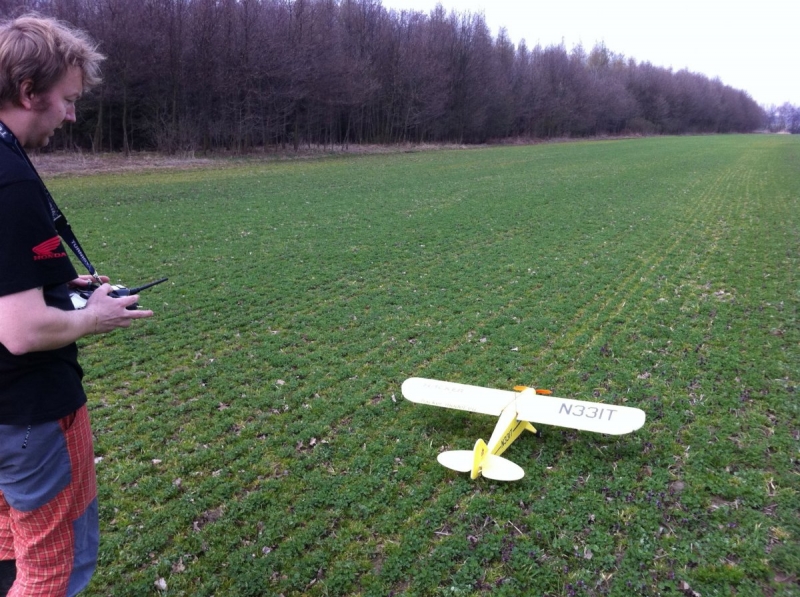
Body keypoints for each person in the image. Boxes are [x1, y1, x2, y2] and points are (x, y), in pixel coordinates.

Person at [0, 15, 154, 596]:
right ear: (28, 91)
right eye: (65, 100)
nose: (70, 115)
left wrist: (64, 286)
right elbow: (19, 330)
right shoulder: (9, 179)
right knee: (52, 569)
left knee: (9, 551)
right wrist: (96, 316)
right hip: (29, 413)